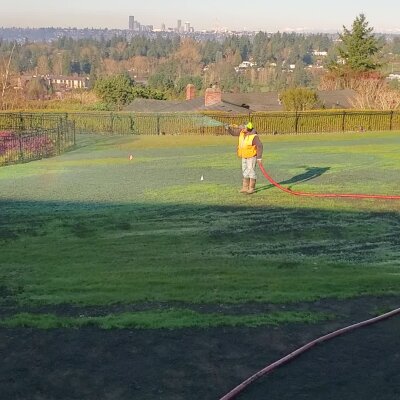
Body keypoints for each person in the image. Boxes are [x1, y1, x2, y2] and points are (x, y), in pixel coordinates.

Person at [226, 122, 263, 194]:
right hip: (244, 156)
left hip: (251, 157)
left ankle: (251, 188)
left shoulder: (254, 136)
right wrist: (228, 128)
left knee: (251, 171)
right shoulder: (242, 133)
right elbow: (233, 133)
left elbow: (260, 146)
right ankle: (245, 187)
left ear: (248, 129)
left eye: (244, 127)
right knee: (245, 171)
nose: (242, 128)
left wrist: (259, 158)